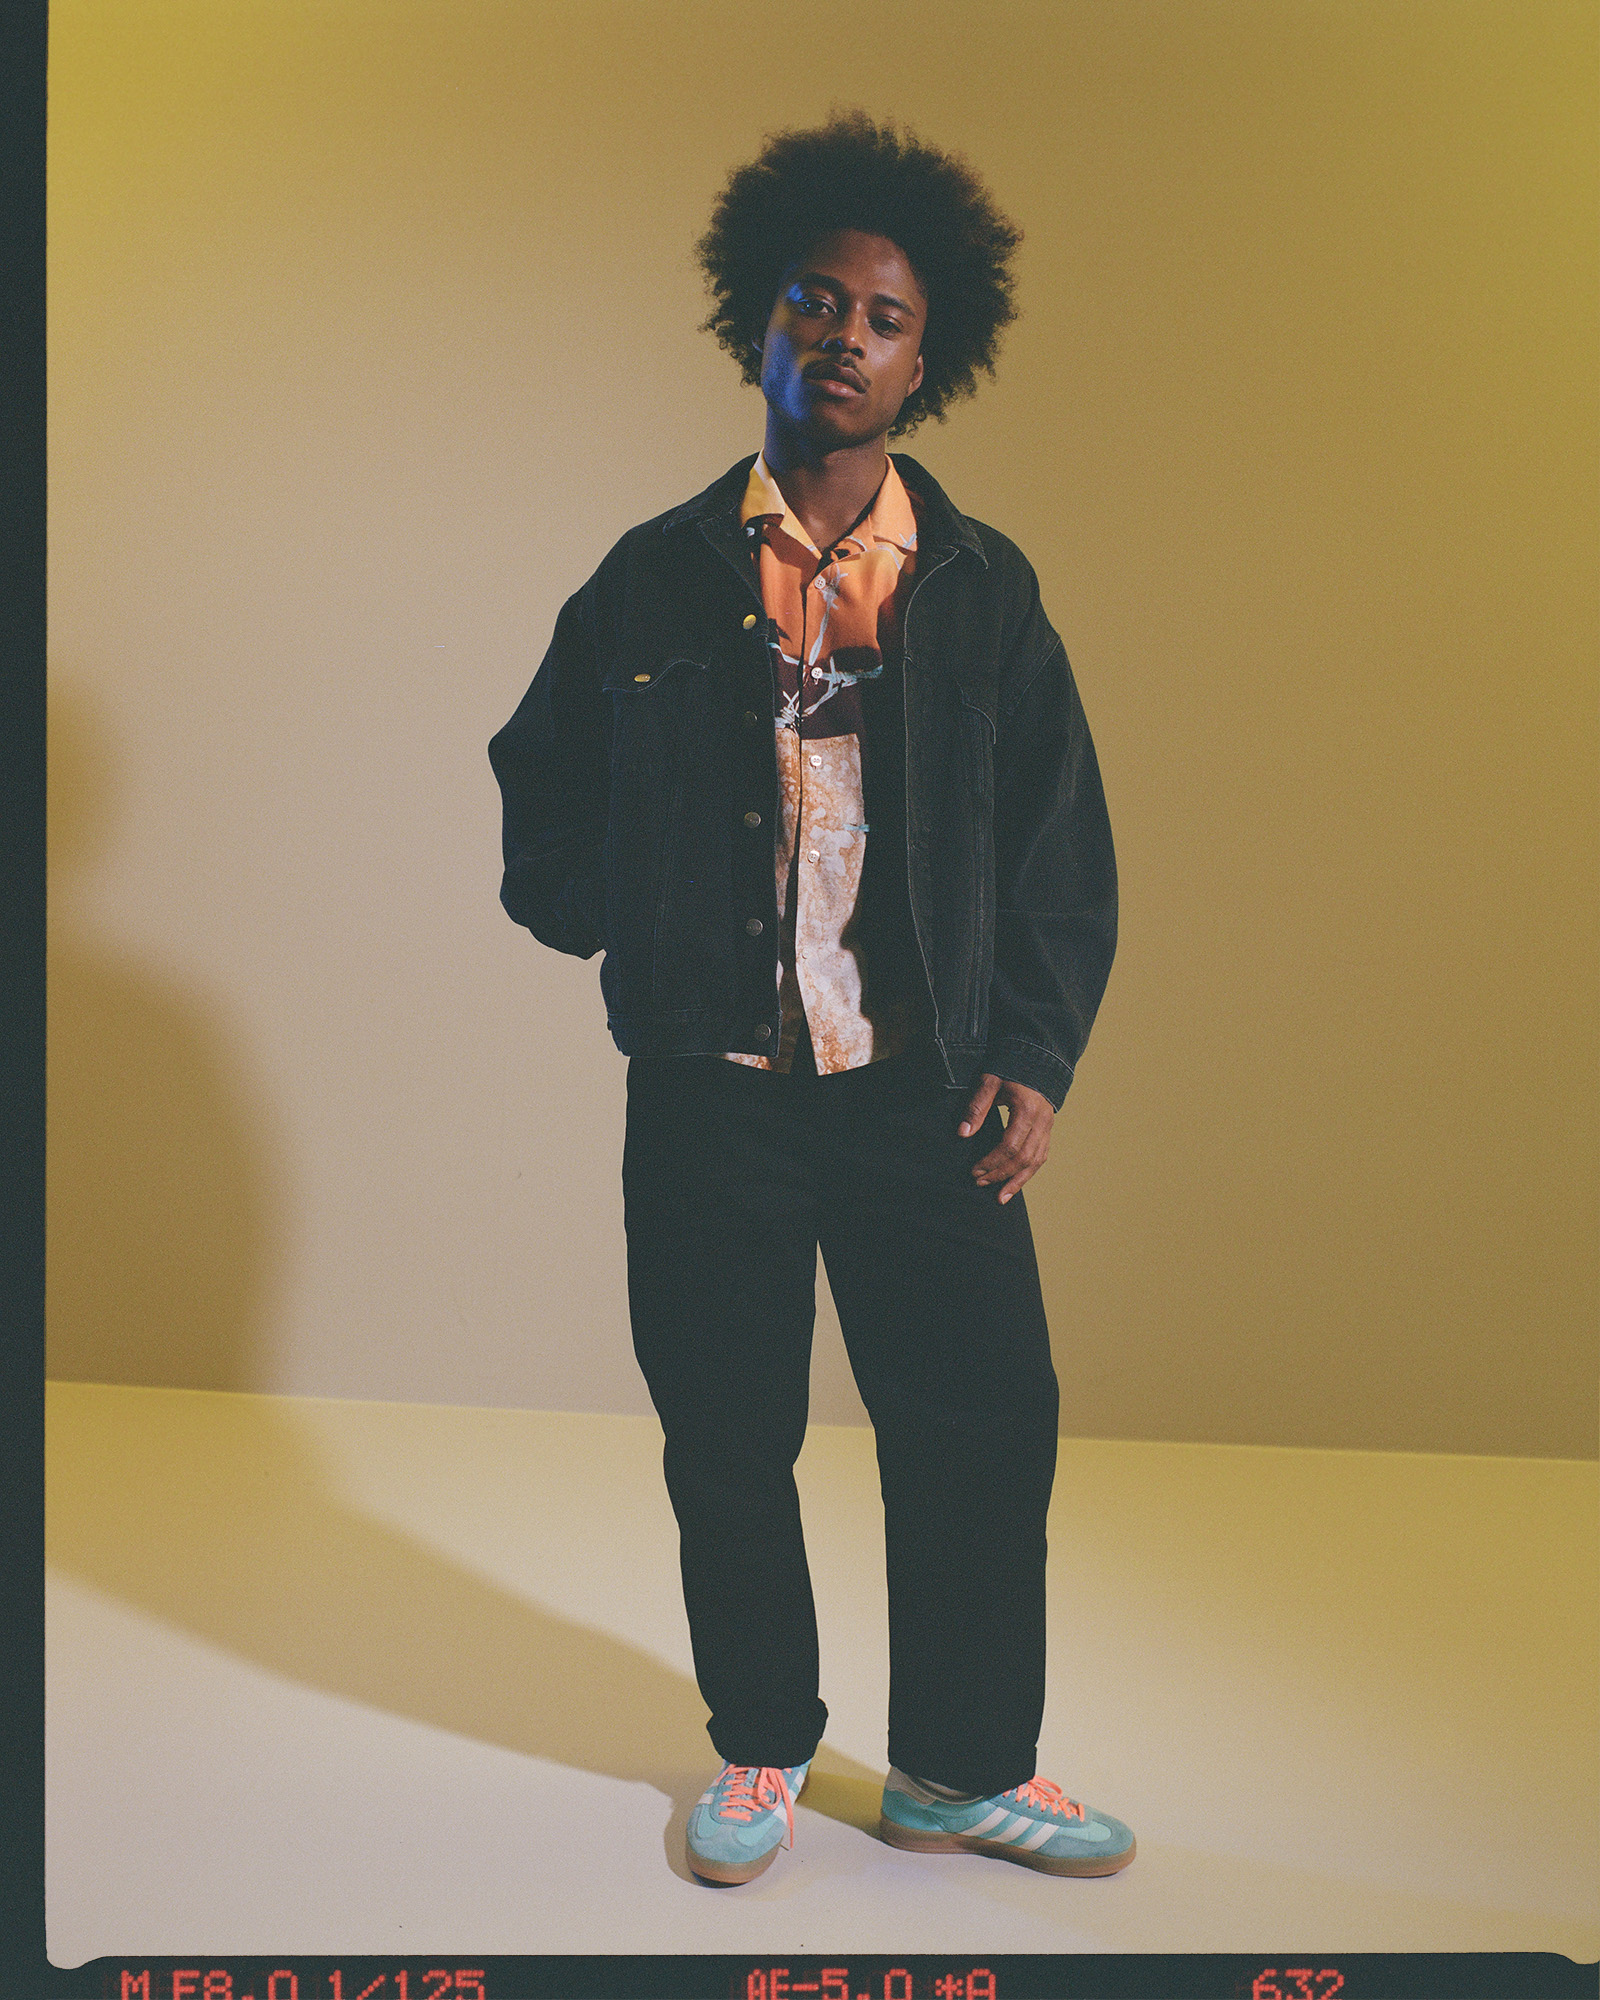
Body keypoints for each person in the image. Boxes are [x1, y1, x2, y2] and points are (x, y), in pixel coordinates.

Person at [489, 110, 1131, 1886]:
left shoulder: (982, 590)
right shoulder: (655, 573)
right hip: (714, 1091)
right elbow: (542, 790)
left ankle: (958, 1771)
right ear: (757, 321)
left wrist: (1034, 1055)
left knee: (983, 1425)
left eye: (885, 318)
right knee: (726, 1431)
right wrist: (630, 928)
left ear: (931, 360)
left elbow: (1062, 846)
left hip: (926, 1085)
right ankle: (763, 1745)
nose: (845, 336)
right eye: (815, 302)